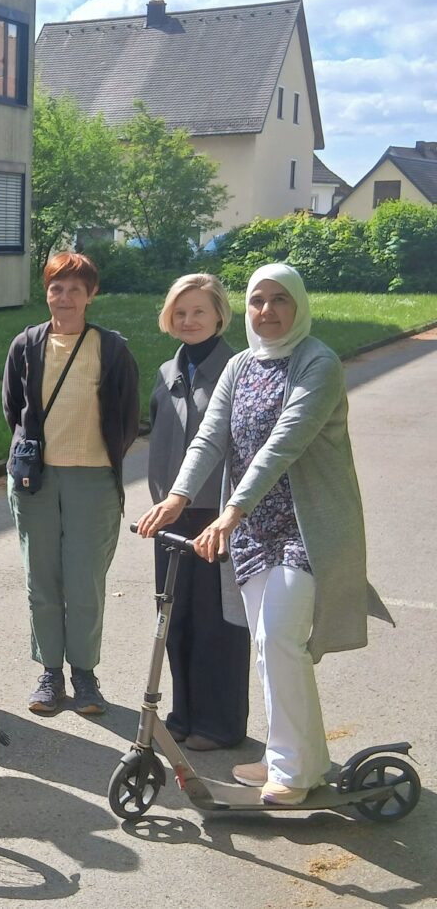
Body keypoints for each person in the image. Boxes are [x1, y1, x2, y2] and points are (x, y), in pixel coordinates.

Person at [138, 263, 391, 805]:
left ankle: (294, 775)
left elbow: (284, 443)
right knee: (270, 646)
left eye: (279, 300)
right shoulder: (242, 365)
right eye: (258, 300)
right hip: (255, 528)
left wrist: (228, 512)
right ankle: (300, 758)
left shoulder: (317, 362)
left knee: (279, 639)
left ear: (298, 304)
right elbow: (209, 436)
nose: (268, 311)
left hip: (308, 526)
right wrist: (179, 496)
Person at [3, 251, 139, 716]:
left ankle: (84, 675)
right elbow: (12, 410)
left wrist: (98, 457)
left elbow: (126, 417)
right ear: (47, 291)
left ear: (91, 295)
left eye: (74, 289)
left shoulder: (112, 348)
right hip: (36, 480)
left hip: (95, 480)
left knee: (85, 583)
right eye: (56, 287)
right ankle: (49, 674)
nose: (64, 297)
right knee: (41, 579)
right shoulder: (27, 344)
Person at [147, 273, 249, 751]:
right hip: (170, 516)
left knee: (218, 624)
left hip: (218, 518)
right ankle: (183, 714)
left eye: (199, 312)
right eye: (180, 312)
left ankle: (220, 724)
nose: (189, 321)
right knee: (174, 619)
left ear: (219, 316)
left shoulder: (238, 370)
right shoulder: (169, 372)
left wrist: (232, 512)